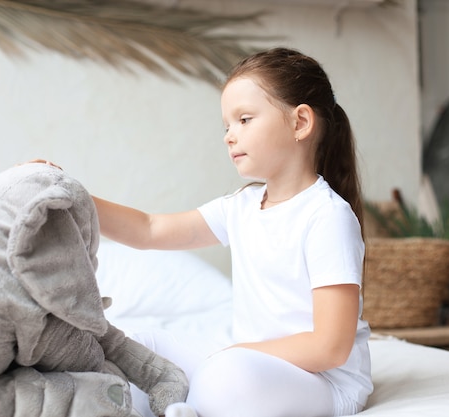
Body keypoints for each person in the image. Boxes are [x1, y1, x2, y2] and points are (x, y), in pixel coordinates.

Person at [92, 47, 373, 417]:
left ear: (300, 123)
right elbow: (149, 229)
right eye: (226, 125)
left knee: (227, 376)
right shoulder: (240, 208)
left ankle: (187, 406)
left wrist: (235, 355)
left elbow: (330, 347)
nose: (229, 136)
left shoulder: (327, 216)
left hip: (323, 381)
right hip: (252, 362)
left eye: (244, 119)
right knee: (138, 348)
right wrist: (73, 196)